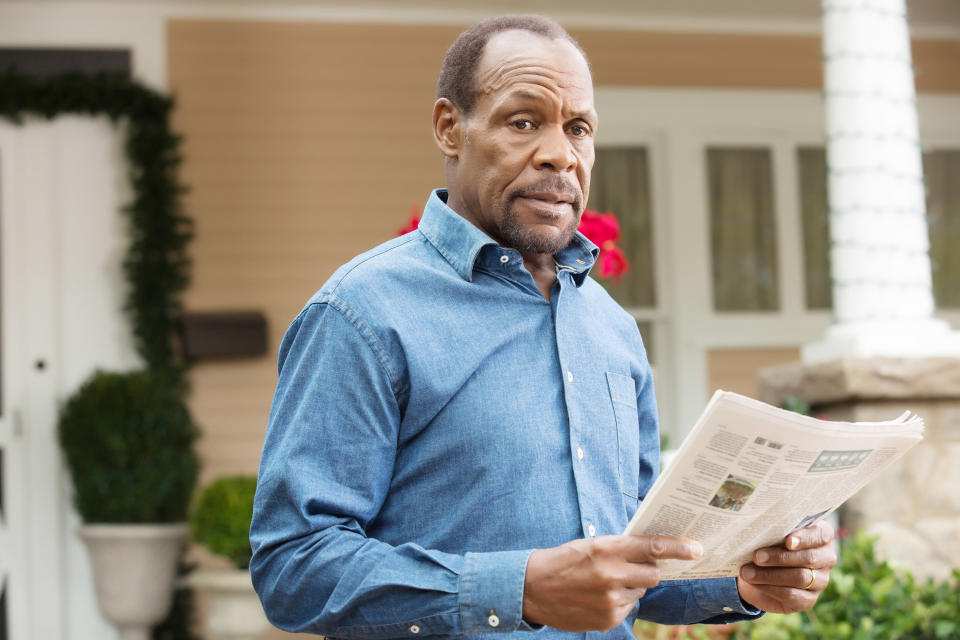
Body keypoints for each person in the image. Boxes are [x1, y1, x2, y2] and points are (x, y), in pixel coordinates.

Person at [250, 14, 837, 639]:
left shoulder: (611, 327)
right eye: (523, 121)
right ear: (451, 128)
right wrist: (518, 590)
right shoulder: (362, 314)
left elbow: (631, 557)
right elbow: (294, 565)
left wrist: (743, 581)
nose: (561, 154)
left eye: (578, 129)